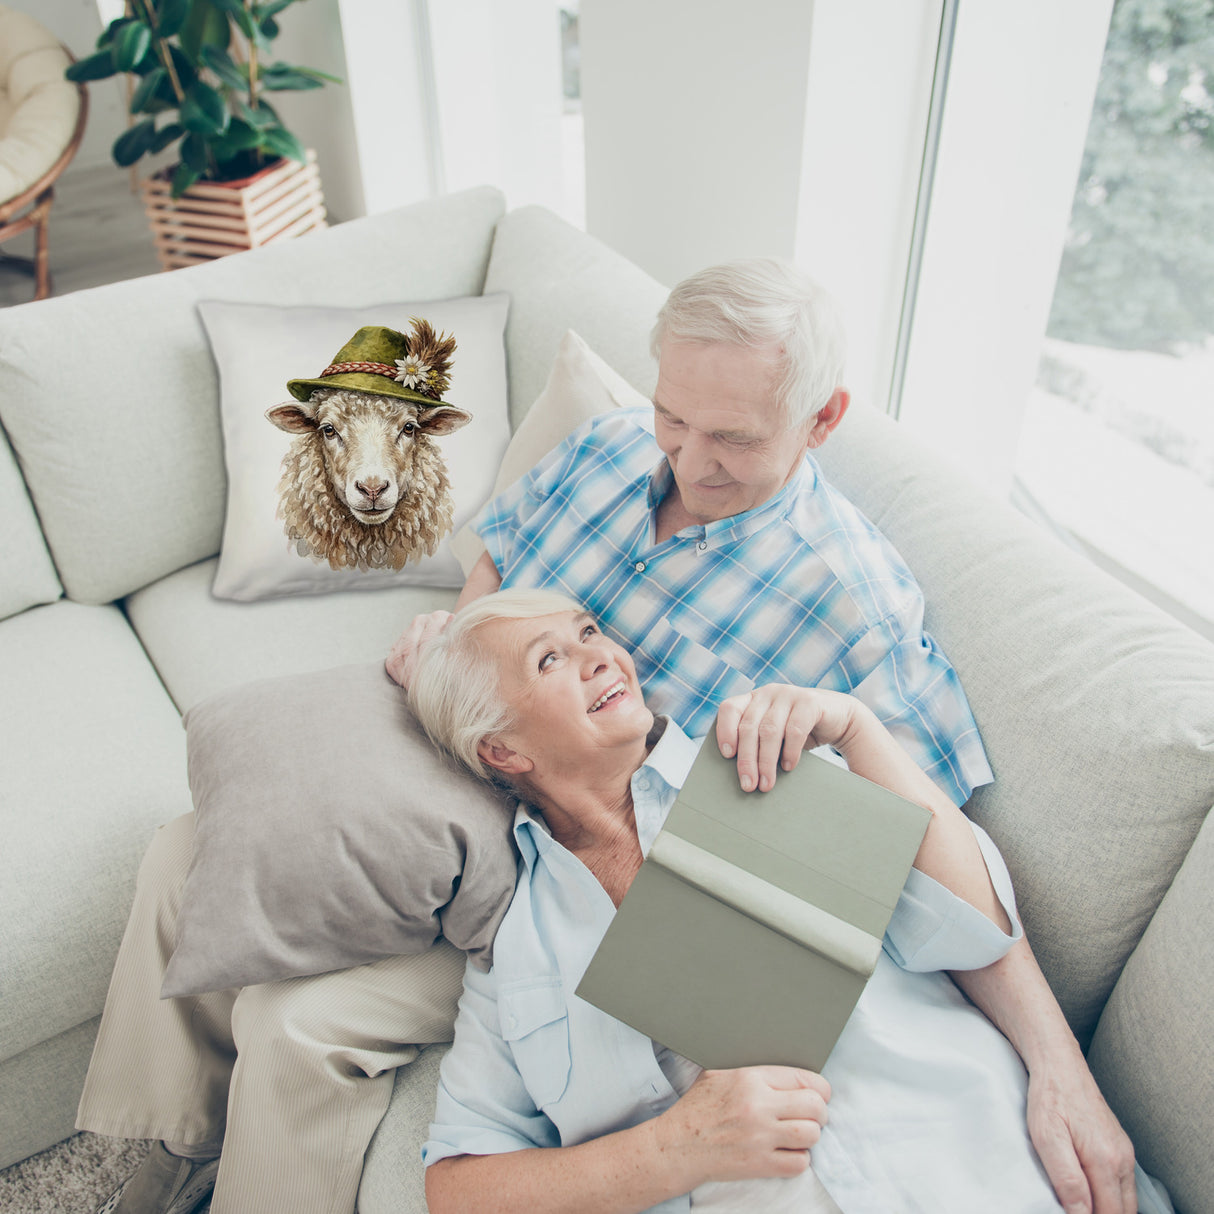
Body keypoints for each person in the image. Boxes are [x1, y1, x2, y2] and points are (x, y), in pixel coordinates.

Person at [79, 260, 1132, 1214]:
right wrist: (458, 643)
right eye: (675, 416)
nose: (687, 458)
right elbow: (498, 559)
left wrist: (1058, 1064)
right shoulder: (608, 447)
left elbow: (926, 855)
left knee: (300, 1023)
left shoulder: (854, 608)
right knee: (192, 846)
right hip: (485, 745)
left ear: (820, 420)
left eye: (732, 438)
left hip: (576, 851)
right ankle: (159, 1149)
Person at [407, 588, 1157, 1214]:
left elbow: (972, 929)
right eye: (550, 659)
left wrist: (858, 730)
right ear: (502, 750)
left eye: (589, 632)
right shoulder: (516, 952)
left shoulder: (761, 761)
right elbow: (457, 1186)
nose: (601, 654)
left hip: (987, 1165)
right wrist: (672, 1150)